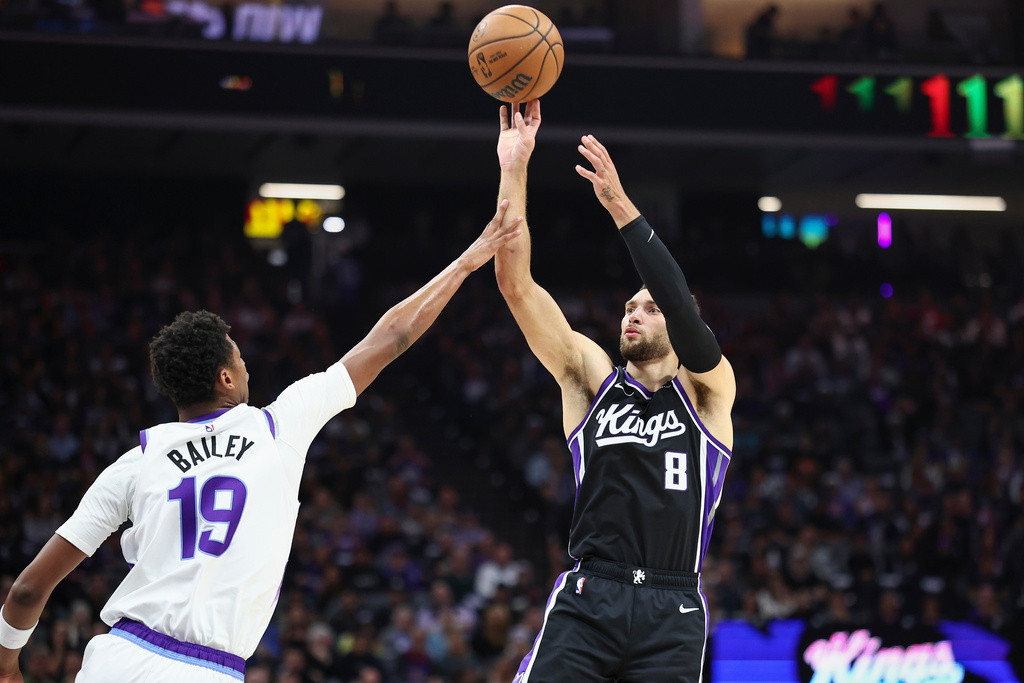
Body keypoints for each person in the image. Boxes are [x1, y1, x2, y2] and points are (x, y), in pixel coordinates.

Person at [0, 202, 523, 682]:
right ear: (226, 379)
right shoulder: (277, 426)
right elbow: (391, 338)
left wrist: (7, 667)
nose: (246, 363)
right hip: (206, 668)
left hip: (116, 656)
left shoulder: (135, 460)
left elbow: (26, 590)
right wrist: (467, 261)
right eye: (239, 357)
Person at [493, 99, 736, 682]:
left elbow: (678, 300)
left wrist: (621, 206)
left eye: (648, 309)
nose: (634, 314)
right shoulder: (590, 380)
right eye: (629, 306)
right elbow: (516, 286)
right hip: (589, 597)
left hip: (673, 607)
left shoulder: (708, 393)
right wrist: (514, 164)